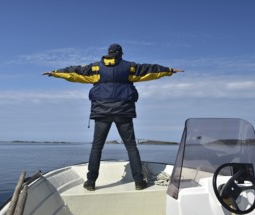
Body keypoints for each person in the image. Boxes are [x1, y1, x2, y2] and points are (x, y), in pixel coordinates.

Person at [43, 44, 184, 191]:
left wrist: (55, 73)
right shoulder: (130, 68)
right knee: (131, 147)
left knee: (97, 148)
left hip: (102, 112)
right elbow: (150, 69)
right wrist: (169, 71)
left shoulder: (95, 68)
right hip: (124, 111)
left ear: (108, 53)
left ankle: (91, 182)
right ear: (121, 54)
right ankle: (139, 182)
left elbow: (74, 71)